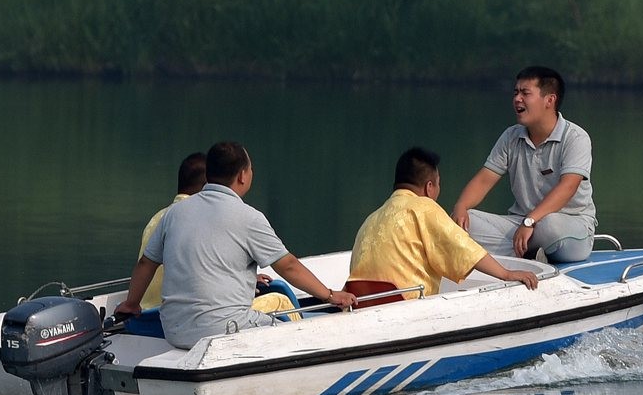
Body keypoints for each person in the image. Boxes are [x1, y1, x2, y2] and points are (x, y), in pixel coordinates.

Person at [115, 141, 355, 348]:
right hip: (224, 329)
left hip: (174, 332)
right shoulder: (249, 218)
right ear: (242, 176)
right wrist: (330, 295)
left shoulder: (174, 213)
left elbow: (146, 263)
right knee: (292, 329)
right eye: (250, 169)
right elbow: (288, 266)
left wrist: (131, 304)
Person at [452, 66, 599, 264]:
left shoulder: (576, 137)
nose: (517, 99)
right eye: (516, 92)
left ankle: (503, 255)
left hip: (570, 226)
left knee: (549, 226)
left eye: (525, 93)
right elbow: (484, 180)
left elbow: (568, 187)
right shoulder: (510, 137)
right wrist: (461, 207)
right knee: (464, 221)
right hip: (521, 223)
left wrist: (531, 221)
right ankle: (530, 255)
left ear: (549, 100)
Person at [351, 147, 542, 297]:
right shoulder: (424, 207)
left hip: (364, 302)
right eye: (438, 184)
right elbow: (463, 247)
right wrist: (506, 274)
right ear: (429, 187)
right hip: (404, 301)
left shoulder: (371, 219)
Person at [135, 151, 208, 310]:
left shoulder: (157, 217)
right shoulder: (201, 219)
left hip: (145, 310)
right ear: (207, 186)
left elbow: (145, 263)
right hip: (177, 312)